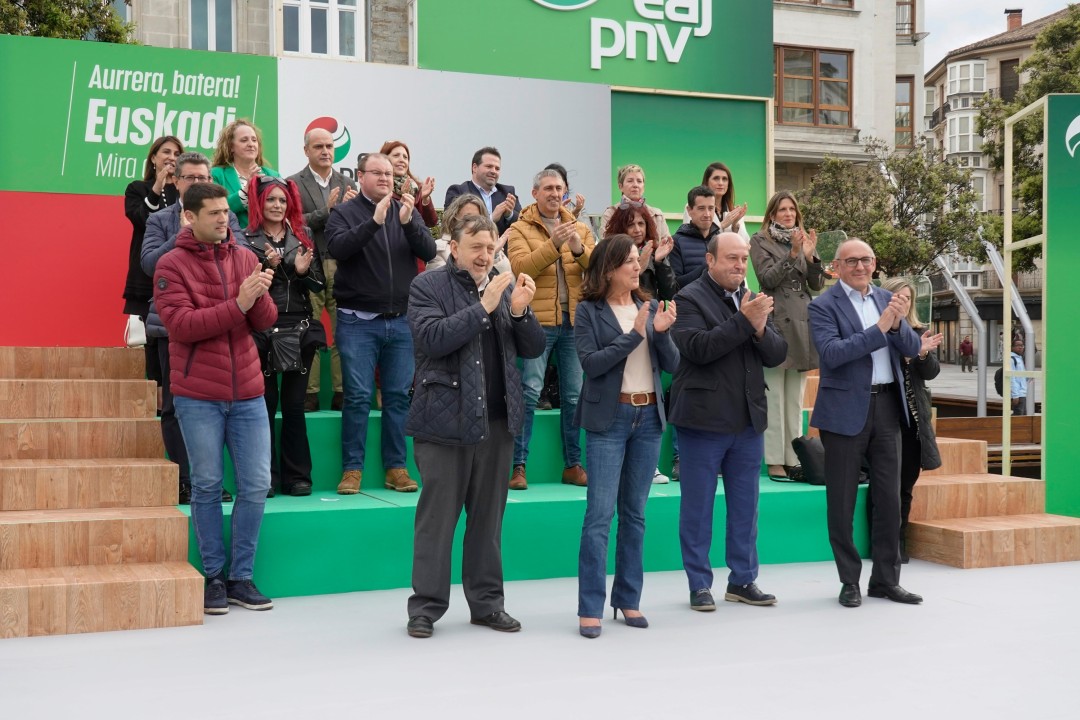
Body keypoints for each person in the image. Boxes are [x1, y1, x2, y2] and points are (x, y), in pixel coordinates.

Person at [404, 215, 545, 639]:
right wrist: (483, 308)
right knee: (436, 522)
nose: (485, 256)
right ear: (454, 247)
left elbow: (533, 348)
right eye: (476, 247)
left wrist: (520, 312)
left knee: (488, 523)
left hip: (497, 424)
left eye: (490, 248)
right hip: (443, 423)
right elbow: (432, 339)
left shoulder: (504, 288)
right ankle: (425, 608)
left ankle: (487, 605)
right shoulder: (427, 286)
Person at [153, 182, 278, 615]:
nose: (225, 219)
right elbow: (182, 326)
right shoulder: (170, 264)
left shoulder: (244, 257)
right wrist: (240, 303)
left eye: (227, 211)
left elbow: (265, 320)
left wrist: (258, 296)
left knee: (256, 484)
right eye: (215, 213)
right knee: (206, 485)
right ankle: (214, 578)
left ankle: (241, 577)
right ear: (190, 217)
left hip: (248, 392)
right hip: (198, 395)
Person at [668, 232, 787, 612]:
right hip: (702, 422)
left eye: (743, 258)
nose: (739, 265)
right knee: (698, 509)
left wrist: (761, 328)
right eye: (731, 258)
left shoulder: (751, 298)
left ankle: (743, 580)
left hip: (747, 421)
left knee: (745, 508)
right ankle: (699, 584)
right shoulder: (688, 298)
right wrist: (745, 321)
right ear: (710, 260)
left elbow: (777, 354)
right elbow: (698, 348)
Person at [574, 234, 679, 638]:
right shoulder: (589, 311)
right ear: (608, 269)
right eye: (630, 261)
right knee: (599, 516)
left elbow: (672, 365)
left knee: (635, 515)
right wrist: (634, 335)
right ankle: (590, 607)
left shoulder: (648, 308)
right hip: (609, 418)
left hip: (648, 417)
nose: (638, 267)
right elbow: (592, 363)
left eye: (638, 260)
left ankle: (628, 598)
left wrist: (662, 333)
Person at [808, 238, 924, 608]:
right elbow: (832, 354)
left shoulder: (885, 299)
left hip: (888, 408)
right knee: (841, 502)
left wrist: (897, 322)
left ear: (874, 264)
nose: (860, 266)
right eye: (852, 261)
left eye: (866, 260)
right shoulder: (822, 305)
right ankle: (849, 581)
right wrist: (880, 327)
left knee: (889, 500)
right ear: (836, 266)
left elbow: (911, 348)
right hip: (844, 412)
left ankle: (886, 581)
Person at [325, 152, 437, 494]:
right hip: (357, 322)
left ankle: (396, 468)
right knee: (358, 397)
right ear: (361, 176)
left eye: (390, 174)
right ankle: (352, 470)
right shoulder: (344, 213)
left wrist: (408, 222)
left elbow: (429, 251)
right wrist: (373, 222)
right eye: (378, 173)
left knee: (398, 397)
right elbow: (337, 248)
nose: (386, 178)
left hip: (401, 322)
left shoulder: (406, 210)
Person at [142, 151, 243, 505]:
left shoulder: (226, 218)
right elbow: (149, 264)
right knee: (174, 407)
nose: (199, 183)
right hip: (173, 328)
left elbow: (244, 256)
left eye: (204, 178)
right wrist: (184, 234)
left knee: (220, 405)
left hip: (220, 324)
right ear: (176, 181)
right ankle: (186, 480)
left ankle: (211, 481)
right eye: (191, 178)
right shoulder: (160, 219)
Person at [506, 167, 596, 490]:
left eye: (559, 188)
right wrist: (553, 244)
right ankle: (518, 466)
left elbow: (597, 267)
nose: (555, 194)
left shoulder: (579, 228)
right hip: (537, 323)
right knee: (530, 391)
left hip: (573, 322)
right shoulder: (519, 228)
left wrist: (577, 248)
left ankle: (572, 465)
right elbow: (520, 268)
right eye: (548, 188)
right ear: (535, 193)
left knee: (574, 395)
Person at [242, 176, 328, 497]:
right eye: (270, 200)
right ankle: (263, 477)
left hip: (298, 328)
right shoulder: (245, 238)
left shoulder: (302, 236)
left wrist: (303, 272)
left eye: (282, 200)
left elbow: (319, 285)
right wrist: (267, 264)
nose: (277, 206)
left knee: (293, 406)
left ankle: (297, 477)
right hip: (261, 328)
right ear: (259, 203)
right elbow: (243, 283)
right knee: (264, 404)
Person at [749, 190, 825, 479]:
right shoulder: (760, 240)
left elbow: (816, 285)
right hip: (776, 319)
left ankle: (795, 457)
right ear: (772, 214)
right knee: (774, 396)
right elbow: (767, 278)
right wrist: (793, 254)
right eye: (782, 209)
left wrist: (811, 257)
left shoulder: (802, 239)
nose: (788, 214)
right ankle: (773, 459)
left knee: (795, 398)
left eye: (792, 210)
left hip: (803, 323)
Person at [604, 203, 678, 484]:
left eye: (641, 224)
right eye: (631, 224)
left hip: (650, 326)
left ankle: (651, 465)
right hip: (619, 330)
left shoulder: (656, 253)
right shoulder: (612, 256)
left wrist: (659, 262)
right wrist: (642, 262)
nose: (637, 229)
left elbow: (670, 292)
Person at [874, 278, 943, 563]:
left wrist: (922, 352)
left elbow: (931, 373)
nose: (902, 302)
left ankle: (898, 543)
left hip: (913, 421)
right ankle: (881, 544)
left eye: (907, 298)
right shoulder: (876, 330)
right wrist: (908, 353)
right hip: (883, 415)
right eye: (896, 296)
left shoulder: (918, 332)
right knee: (883, 486)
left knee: (905, 485)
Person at [288, 128, 358, 413]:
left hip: (344, 266)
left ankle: (342, 392)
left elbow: (359, 224)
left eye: (329, 145)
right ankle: (310, 393)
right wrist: (326, 212)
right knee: (311, 331)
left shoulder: (348, 182)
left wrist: (351, 210)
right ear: (306, 150)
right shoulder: (293, 183)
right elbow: (292, 222)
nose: (326, 151)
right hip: (311, 264)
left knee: (345, 331)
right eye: (319, 146)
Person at [123, 135, 183, 389]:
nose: (172, 157)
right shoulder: (137, 188)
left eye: (177, 154)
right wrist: (158, 185)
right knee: (152, 340)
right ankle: (158, 399)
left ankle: (174, 396)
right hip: (147, 275)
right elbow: (141, 218)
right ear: (153, 158)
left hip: (180, 274)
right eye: (166, 152)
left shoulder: (184, 191)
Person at [211, 119, 281, 228]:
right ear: (231, 147)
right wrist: (246, 191)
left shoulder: (273, 176)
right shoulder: (217, 174)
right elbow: (214, 209)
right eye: (244, 140)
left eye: (254, 140)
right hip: (231, 236)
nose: (251, 144)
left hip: (266, 236)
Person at [426, 194, 511, 275]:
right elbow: (440, 281)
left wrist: (493, 254)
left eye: (477, 219)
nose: (472, 224)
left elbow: (509, 280)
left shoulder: (492, 248)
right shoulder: (440, 248)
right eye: (467, 219)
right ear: (453, 219)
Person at [444, 147, 519, 236]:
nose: (494, 171)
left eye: (497, 168)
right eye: (489, 166)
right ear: (475, 168)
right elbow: (452, 225)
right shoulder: (459, 191)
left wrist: (509, 215)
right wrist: (490, 219)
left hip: (504, 244)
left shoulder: (507, 192)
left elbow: (523, 223)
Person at [598, 164, 672, 242]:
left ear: (643, 187)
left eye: (639, 181)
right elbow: (605, 247)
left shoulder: (657, 215)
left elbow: (667, 245)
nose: (635, 185)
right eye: (630, 181)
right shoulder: (610, 214)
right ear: (620, 186)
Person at [683, 162, 750, 242]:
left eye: (724, 179)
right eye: (716, 178)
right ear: (707, 182)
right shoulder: (694, 206)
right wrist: (722, 225)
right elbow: (691, 239)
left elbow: (745, 243)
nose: (721, 183)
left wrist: (735, 225)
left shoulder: (733, 210)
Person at [670, 186, 722, 288]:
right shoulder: (676, 242)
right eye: (701, 208)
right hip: (689, 298)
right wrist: (707, 265)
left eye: (711, 208)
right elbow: (675, 287)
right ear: (689, 210)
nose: (707, 214)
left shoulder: (722, 240)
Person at [379, 140, 438, 228]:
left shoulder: (415, 187)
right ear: (384, 159)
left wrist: (425, 199)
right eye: (396, 155)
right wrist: (402, 204)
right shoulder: (377, 187)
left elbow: (431, 223)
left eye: (405, 157)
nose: (402, 160)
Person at [1010, 338, 1029, 415]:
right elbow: (1012, 378)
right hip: (1018, 394)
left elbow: (1021, 377)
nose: (1020, 347)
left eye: (1022, 345)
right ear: (1012, 347)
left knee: (1022, 416)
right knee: (1018, 416)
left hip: (1022, 393)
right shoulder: (1011, 359)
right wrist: (1015, 395)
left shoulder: (1019, 358)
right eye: (1018, 345)